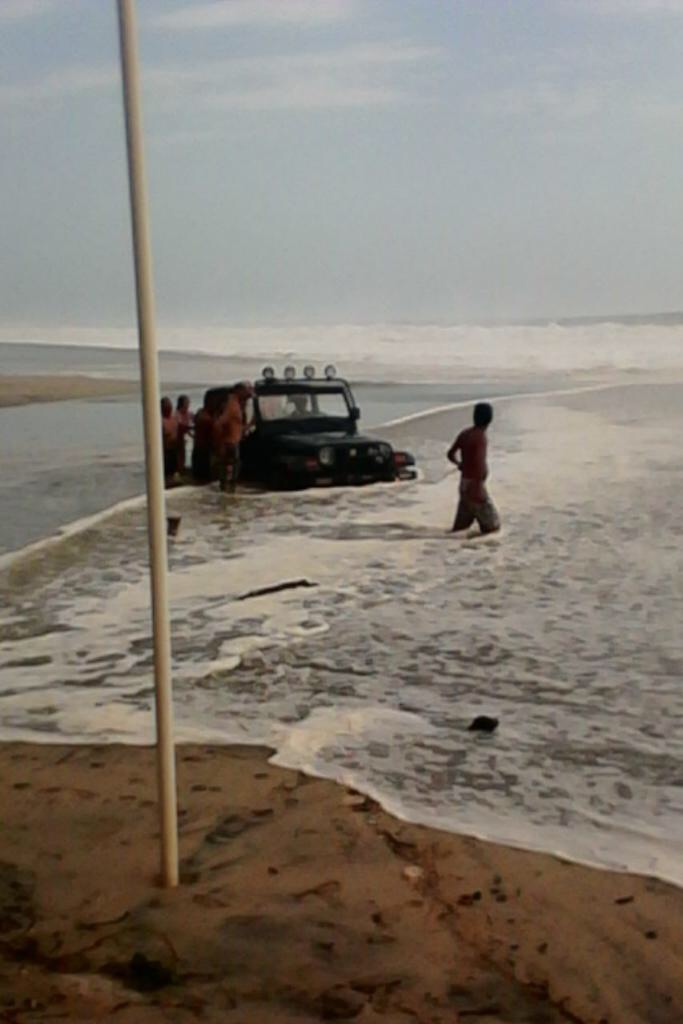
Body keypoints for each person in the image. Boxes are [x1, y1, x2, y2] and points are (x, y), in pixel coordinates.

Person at [447, 402, 500, 534]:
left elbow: (450, 454)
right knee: (492, 529)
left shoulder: (465, 433)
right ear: (490, 418)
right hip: (475, 487)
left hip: (464, 484)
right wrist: (478, 486)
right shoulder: (480, 437)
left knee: (459, 531)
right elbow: (478, 462)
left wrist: (460, 464)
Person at [213, 381, 253, 492]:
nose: (246, 393)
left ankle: (228, 496)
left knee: (232, 477)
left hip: (233, 442)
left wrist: (250, 424)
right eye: (244, 390)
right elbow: (219, 424)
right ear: (238, 391)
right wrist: (220, 443)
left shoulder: (237, 403)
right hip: (229, 444)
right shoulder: (232, 405)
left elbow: (237, 427)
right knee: (229, 478)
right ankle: (226, 498)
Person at [191, 391, 216, 483]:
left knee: (200, 477)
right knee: (203, 478)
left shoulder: (200, 413)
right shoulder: (205, 418)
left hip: (199, 449)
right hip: (203, 450)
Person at [160, 396, 179, 485]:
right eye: (167, 406)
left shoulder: (175, 419)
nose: (170, 407)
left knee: (174, 474)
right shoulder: (160, 422)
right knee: (166, 476)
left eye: (170, 405)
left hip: (175, 450)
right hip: (166, 452)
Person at [175, 394, 193, 473]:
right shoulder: (176, 414)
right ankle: (179, 469)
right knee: (179, 454)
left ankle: (182, 468)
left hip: (184, 437)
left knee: (183, 453)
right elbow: (181, 426)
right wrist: (191, 430)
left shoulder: (188, 413)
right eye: (187, 403)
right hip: (177, 437)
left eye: (189, 403)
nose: (188, 405)